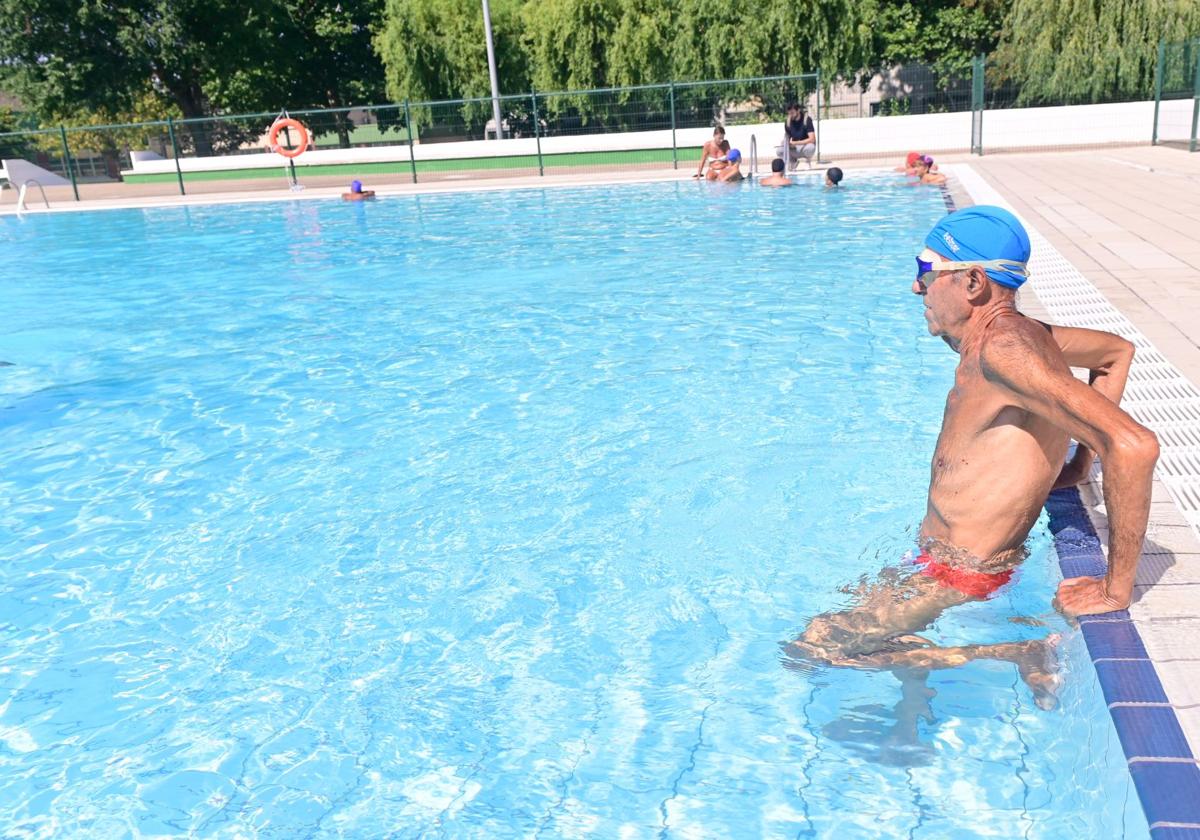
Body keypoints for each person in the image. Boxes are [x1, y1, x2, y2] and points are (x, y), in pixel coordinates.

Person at [785, 206, 1158, 711]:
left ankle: (1013, 652)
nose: (917, 289)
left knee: (810, 648)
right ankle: (981, 657)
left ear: (973, 283)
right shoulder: (1027, 336)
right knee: (852, 622)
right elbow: (1115, 353)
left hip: (959, 573)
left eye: (925, 272)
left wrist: (1116, 589)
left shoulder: (1004, 352)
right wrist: (1078, 466)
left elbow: (1135, 445)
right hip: (939, 560)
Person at [775, 103, 816, 170]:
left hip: (805, 147)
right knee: (779, 151)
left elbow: (812, 139)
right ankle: (793, 161)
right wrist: (786, 143)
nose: (791, 115)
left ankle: (807, 161)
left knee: (811, 147)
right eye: (789, 113)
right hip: (794, 148)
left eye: (792, 113)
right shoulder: (788, 122)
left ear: (798, 110)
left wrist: (795, 143)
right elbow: (787, 137)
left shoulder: (807, 120)